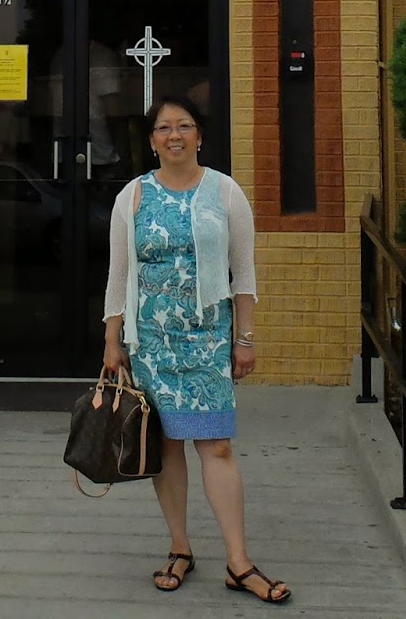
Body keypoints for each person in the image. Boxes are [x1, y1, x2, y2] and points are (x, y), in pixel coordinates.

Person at [101, 95, 290, 604]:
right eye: (164, 128)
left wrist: (244, 338)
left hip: (208, 341)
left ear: (200, 135)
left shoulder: (224, 191)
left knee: (217, 446)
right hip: (151, 343)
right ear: (152, 141)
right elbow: (119, 274)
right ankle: (179, 547)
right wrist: (112, 340)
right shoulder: (132, 196)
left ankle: (239, 563)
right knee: (166, 446)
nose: (175, 135)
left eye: (184, 126)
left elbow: (243, 273)